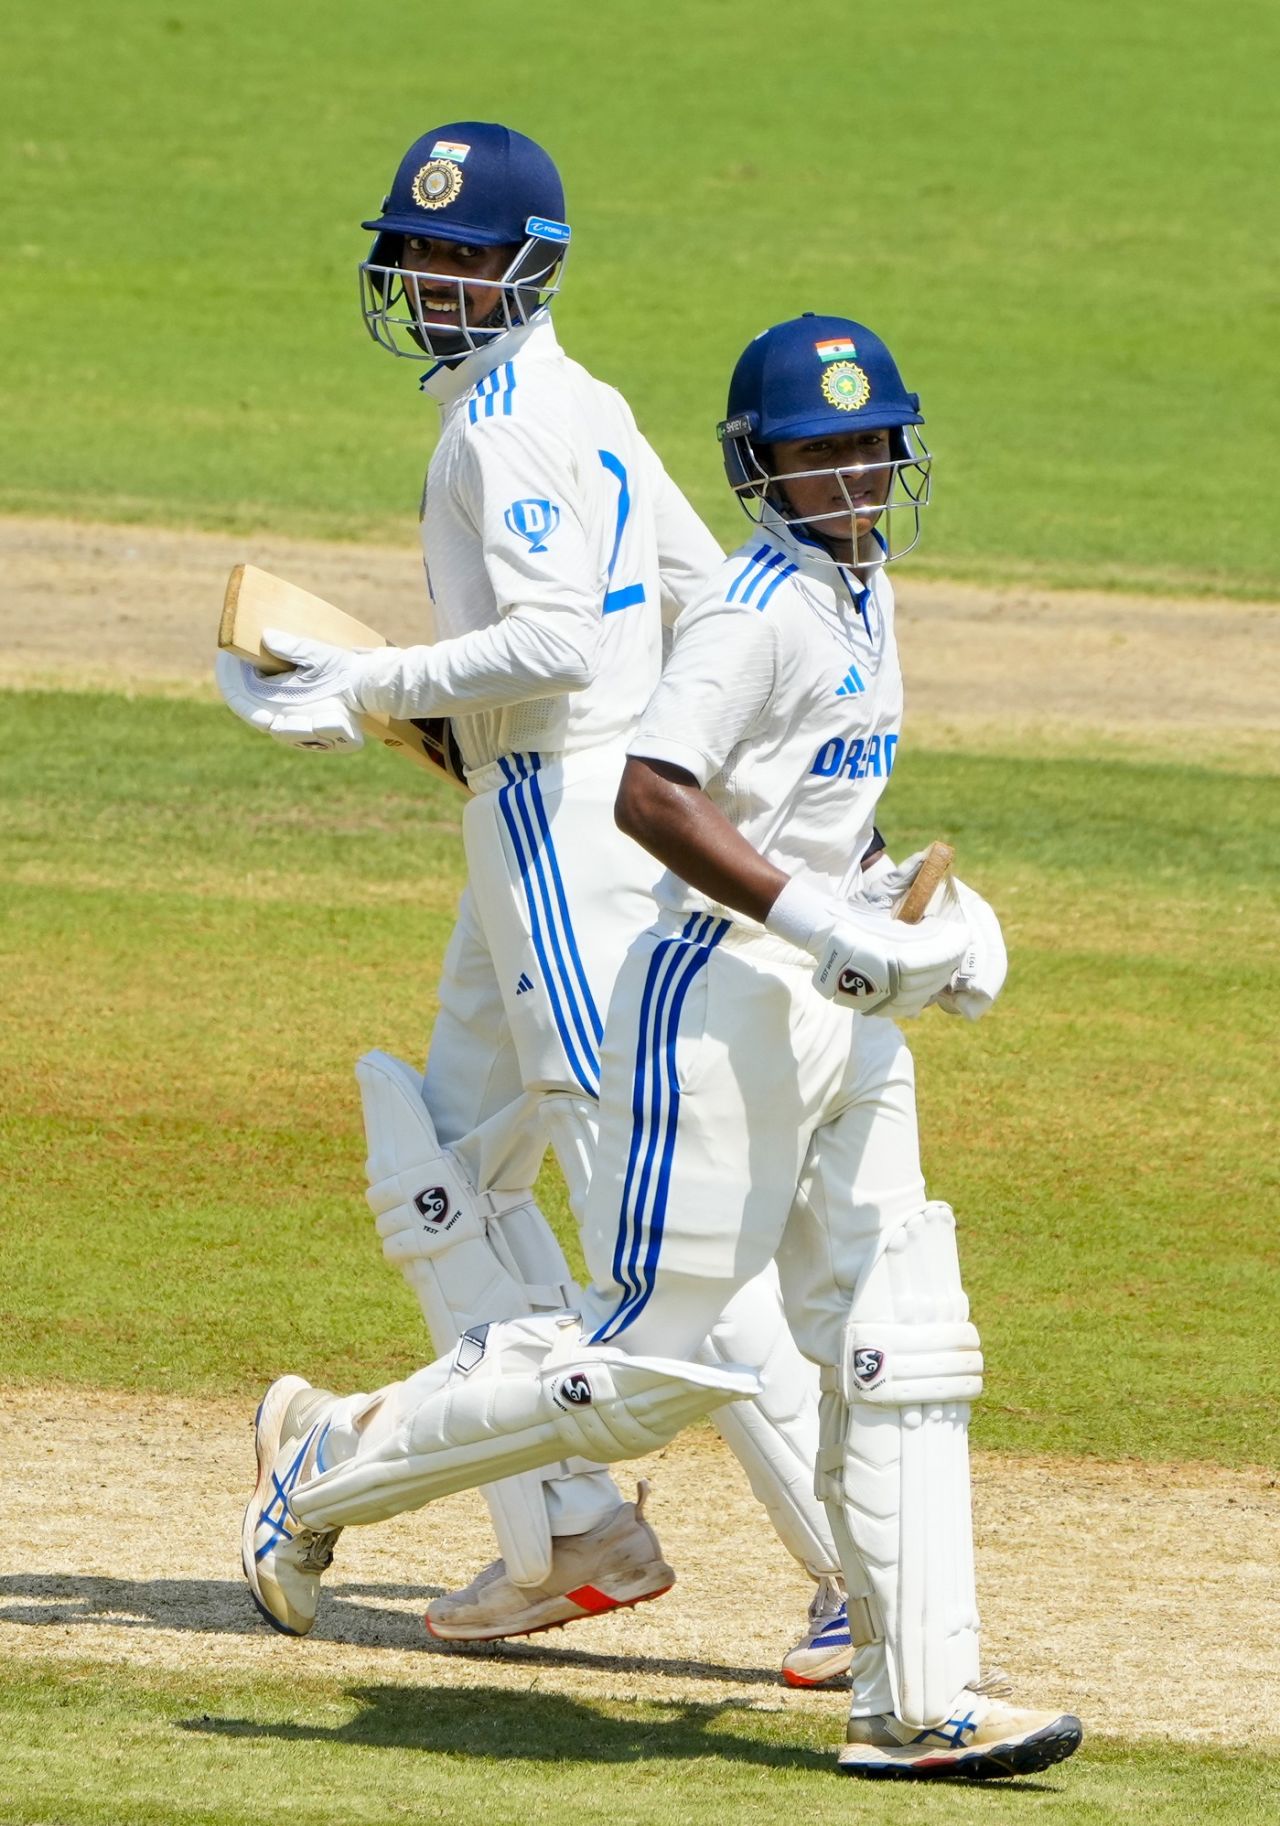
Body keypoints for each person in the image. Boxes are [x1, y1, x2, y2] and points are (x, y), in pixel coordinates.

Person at [238, 310, 1083, 1777]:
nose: (859, 477)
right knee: (650, 1367)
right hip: (722, 1004)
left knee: (898, 1333)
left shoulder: (865, 597)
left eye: (876, 447)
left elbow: (814, 796)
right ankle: (333, 1466)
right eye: (824, 456)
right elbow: (650, 791)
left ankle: (914, 1695)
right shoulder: (757, 604)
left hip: (835, 1009)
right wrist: (826, 921)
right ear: (765, 469)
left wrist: (919, 911)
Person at [217, 125, 854, 1682]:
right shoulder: (588, 404)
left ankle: (858, 1577)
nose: (431, 280)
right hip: (539, 832)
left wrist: (366, 682)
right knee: (434, 1146)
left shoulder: (500, 428)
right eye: (416, 253)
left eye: (460, 255)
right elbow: (707, 601)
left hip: (564, 855)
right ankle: (566, 1520)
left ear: (530, 264)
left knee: (674, 1250)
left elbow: (560, 641)